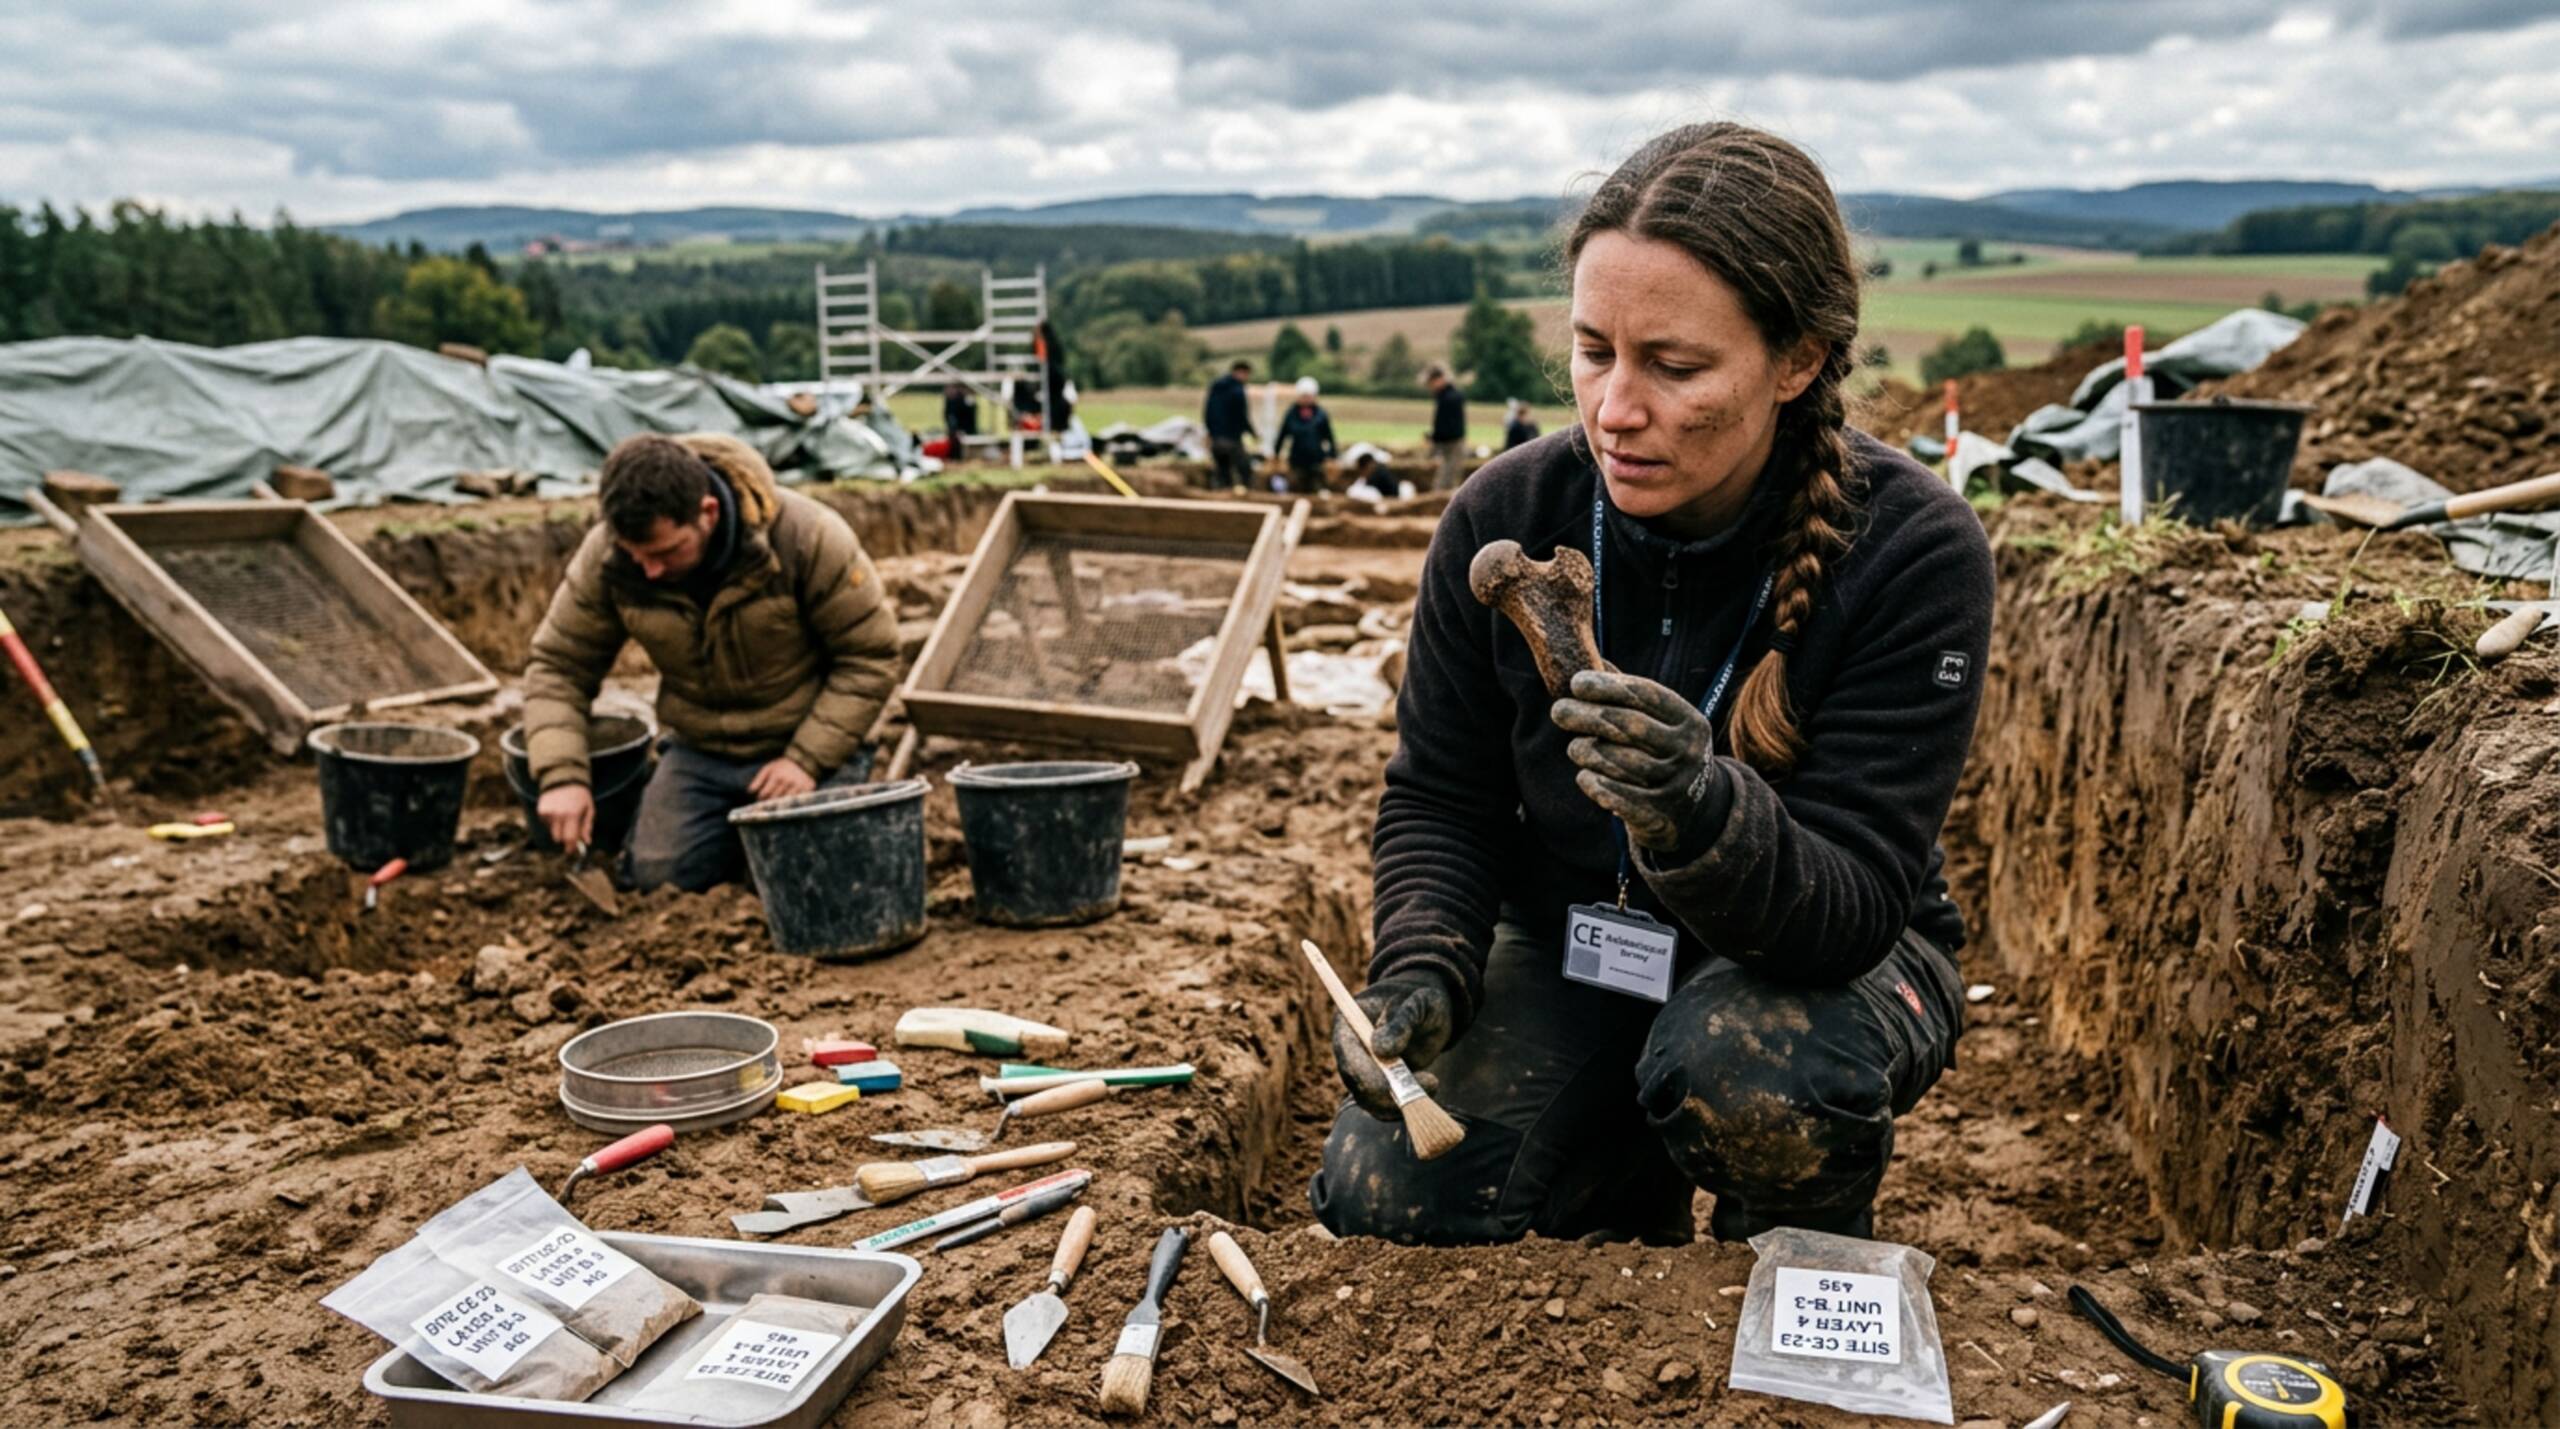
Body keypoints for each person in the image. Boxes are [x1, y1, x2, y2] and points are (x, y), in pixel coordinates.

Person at [1309, 121, 1993, 1248]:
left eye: (1673, 368)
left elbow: (1853, 901)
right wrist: (1424, 966)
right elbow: (1441, 795)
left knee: (1748, 1067)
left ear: (1798, 359)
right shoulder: (1502, 516)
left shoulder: (1911, 551)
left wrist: (1699, 809)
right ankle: (1617, 1194)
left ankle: (1792, 1262)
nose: (1615, 408)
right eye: (1592, 352)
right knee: (1388, 1192)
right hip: (1576, 930)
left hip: (1827, 959)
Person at [522, 432, 901, 893]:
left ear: (708, 513)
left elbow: (869, 657)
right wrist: (563, 777)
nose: (650, 572)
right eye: (635, 555)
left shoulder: (807, 537)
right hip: (703, 748)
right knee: (659, 880)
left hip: (806, 738)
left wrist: (805, 760)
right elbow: (559, 666)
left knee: (806, 881)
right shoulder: (609, 555)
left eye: (665, 553)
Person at [1269, 376, 1338, 494]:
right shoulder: (1291, 414)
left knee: (1316, 490)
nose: (1306, 399)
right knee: (1295, 489)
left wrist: (1332, 456)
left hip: (1316, 461)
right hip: (1296, 460)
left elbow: (1329, 437)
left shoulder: (1321, 414)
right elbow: (1282, 434)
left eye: (1309, 396)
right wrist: (1276, 453)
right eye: (1303, 396)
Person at [1203, 360, 1258, 492]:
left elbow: (1208, 411)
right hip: (1231, 437)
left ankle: (1223, 494)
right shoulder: (1238, 390)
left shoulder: (1216, 386)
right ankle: (1247, 495)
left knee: (1223, 471)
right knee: (1245, 469)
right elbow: (1241, 415)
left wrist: (1211, 431)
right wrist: (1252, 432)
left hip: (1216, 437)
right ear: (1241, 372)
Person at [1423, 362, 1469, 490]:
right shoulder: (1445, 396)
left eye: (1432, 382)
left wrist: (1435, 438)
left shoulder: (1450, 397)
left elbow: (1446, 425)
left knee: (1446, 481)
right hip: (1447, 443)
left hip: (1453, 443)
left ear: (1439, 379)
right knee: (1444, 479)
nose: (1431, 387)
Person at [941, 382, 979, 459]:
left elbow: (968, 417)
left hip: (965, 429)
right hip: (956, 429)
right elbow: (948, 416)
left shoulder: (963, 400)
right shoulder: (950, 401)